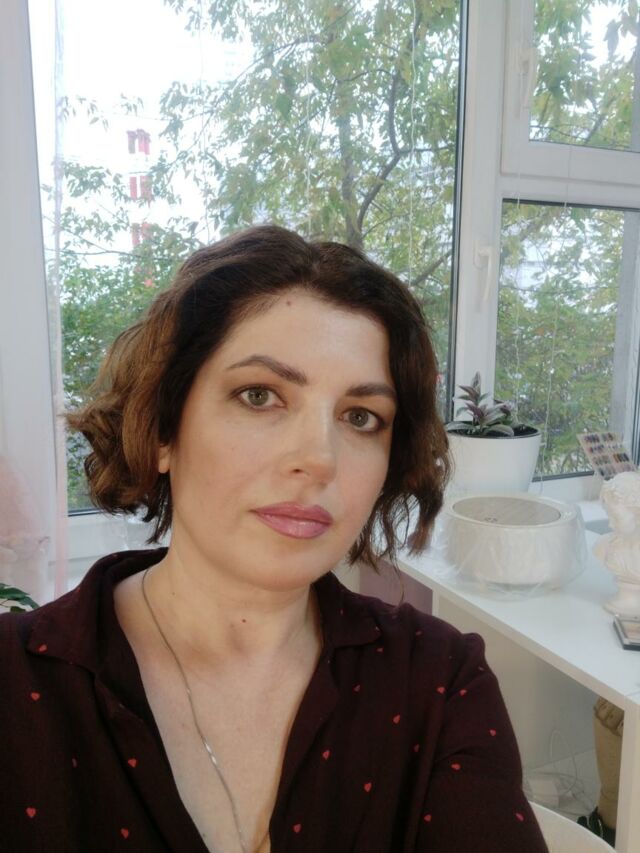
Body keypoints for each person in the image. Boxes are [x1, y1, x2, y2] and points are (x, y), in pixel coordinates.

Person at [0, 225, 548, 852]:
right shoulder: (16, 685)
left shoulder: (441, 679)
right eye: (259, 396)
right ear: (163, 430)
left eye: (361, 417)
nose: (319, 459)